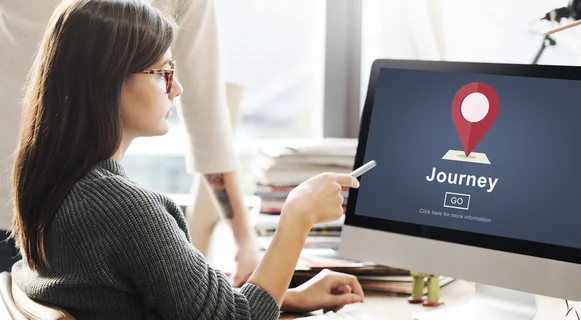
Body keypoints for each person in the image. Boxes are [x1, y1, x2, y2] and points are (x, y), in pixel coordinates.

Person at [9, 0, 364, 319]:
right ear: (109, 80)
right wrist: (298, 215)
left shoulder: (54, 187)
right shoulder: (123, 211)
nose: (176, 88)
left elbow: (172, 298)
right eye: (162, 73)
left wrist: (287, 297)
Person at [0, 0, 261, 284]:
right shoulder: (133, 214)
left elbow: (206, 118)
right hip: (32, 212)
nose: (174, 88)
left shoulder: (122, 207)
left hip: (37, 204)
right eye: (163, 74)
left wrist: (242, 241)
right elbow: (206, 117)